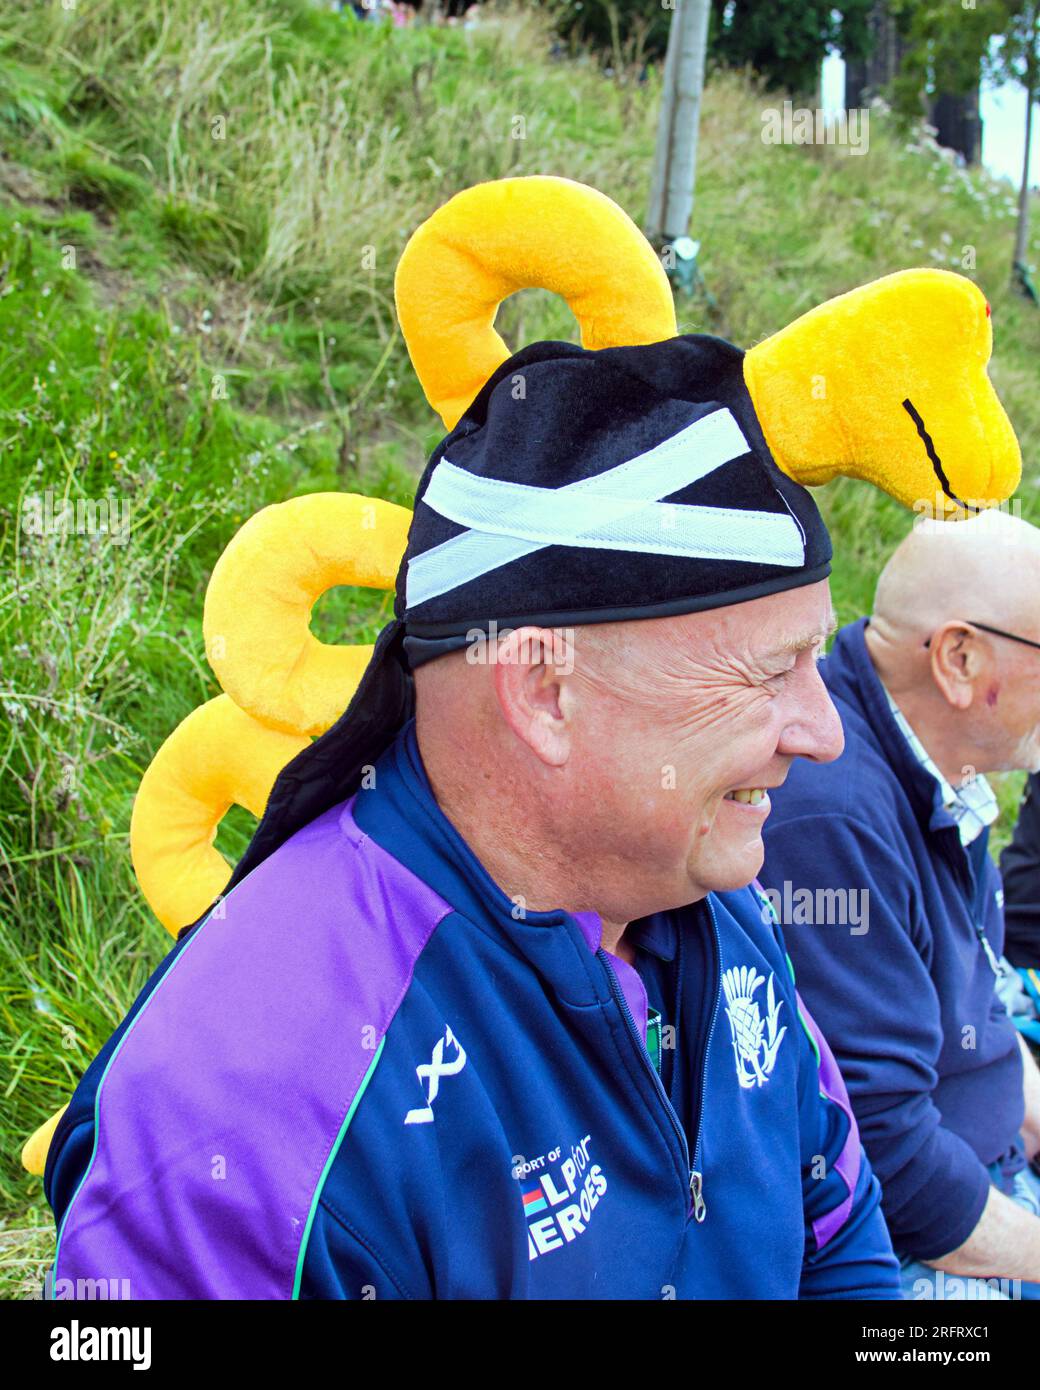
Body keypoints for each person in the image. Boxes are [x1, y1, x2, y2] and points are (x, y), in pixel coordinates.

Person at [43, 323, 901, 1303]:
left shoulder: (707, 901)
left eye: (815, 659)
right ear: (543, 691)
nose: (822, 732)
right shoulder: (255, 1108)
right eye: (767, 673)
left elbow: (837, 1240)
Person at [760, 511, 1040, 1299]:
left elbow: (983, 999)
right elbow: (886, 1154)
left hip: (988, 1174)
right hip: (919, 1248)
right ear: (959, 659)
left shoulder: (940, 758)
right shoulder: (833, 816)